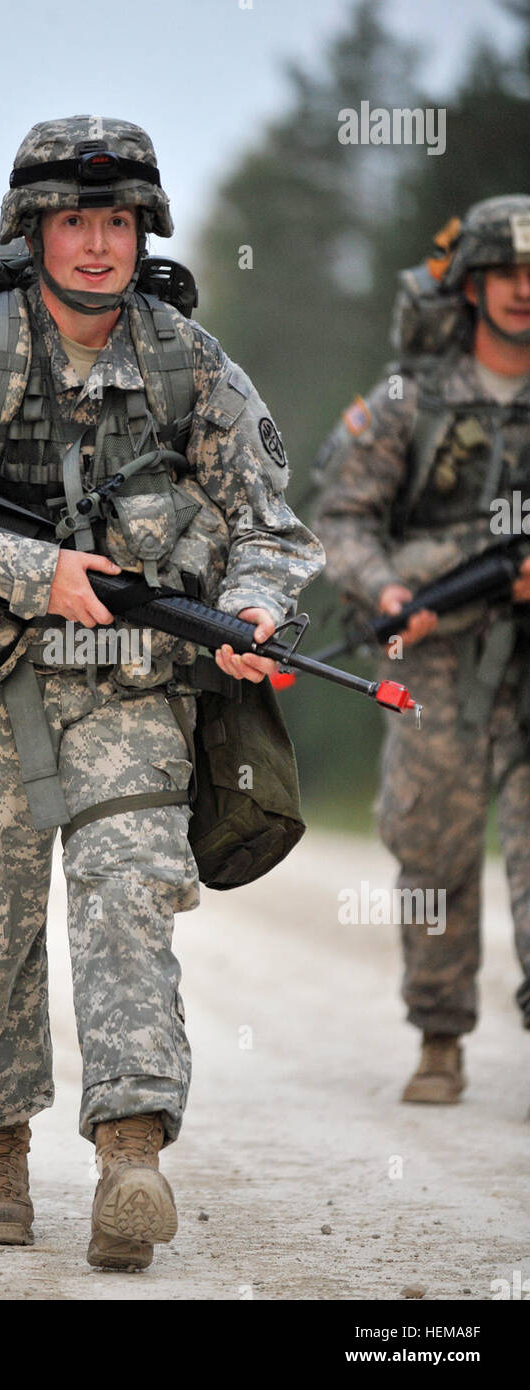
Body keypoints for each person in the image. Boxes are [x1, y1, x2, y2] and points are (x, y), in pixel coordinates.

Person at [0, 115, 324, 1269]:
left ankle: (129, 1155)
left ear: (140, 227)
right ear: (37, 229)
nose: (98, 245)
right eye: (75, 221)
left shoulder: (185, 362)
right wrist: (34, 571)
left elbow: (271, 527)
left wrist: (257, 616)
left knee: (129, 900)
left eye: (116, 221)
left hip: (127, 693)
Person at [315, 195, 530, 1105]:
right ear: (471, 286)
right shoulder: (409, 398)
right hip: (437, 662)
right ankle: (438, 1034)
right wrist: (389, 591)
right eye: (505, 274)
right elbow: (340, 518)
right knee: (430, 847)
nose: (523, 292)